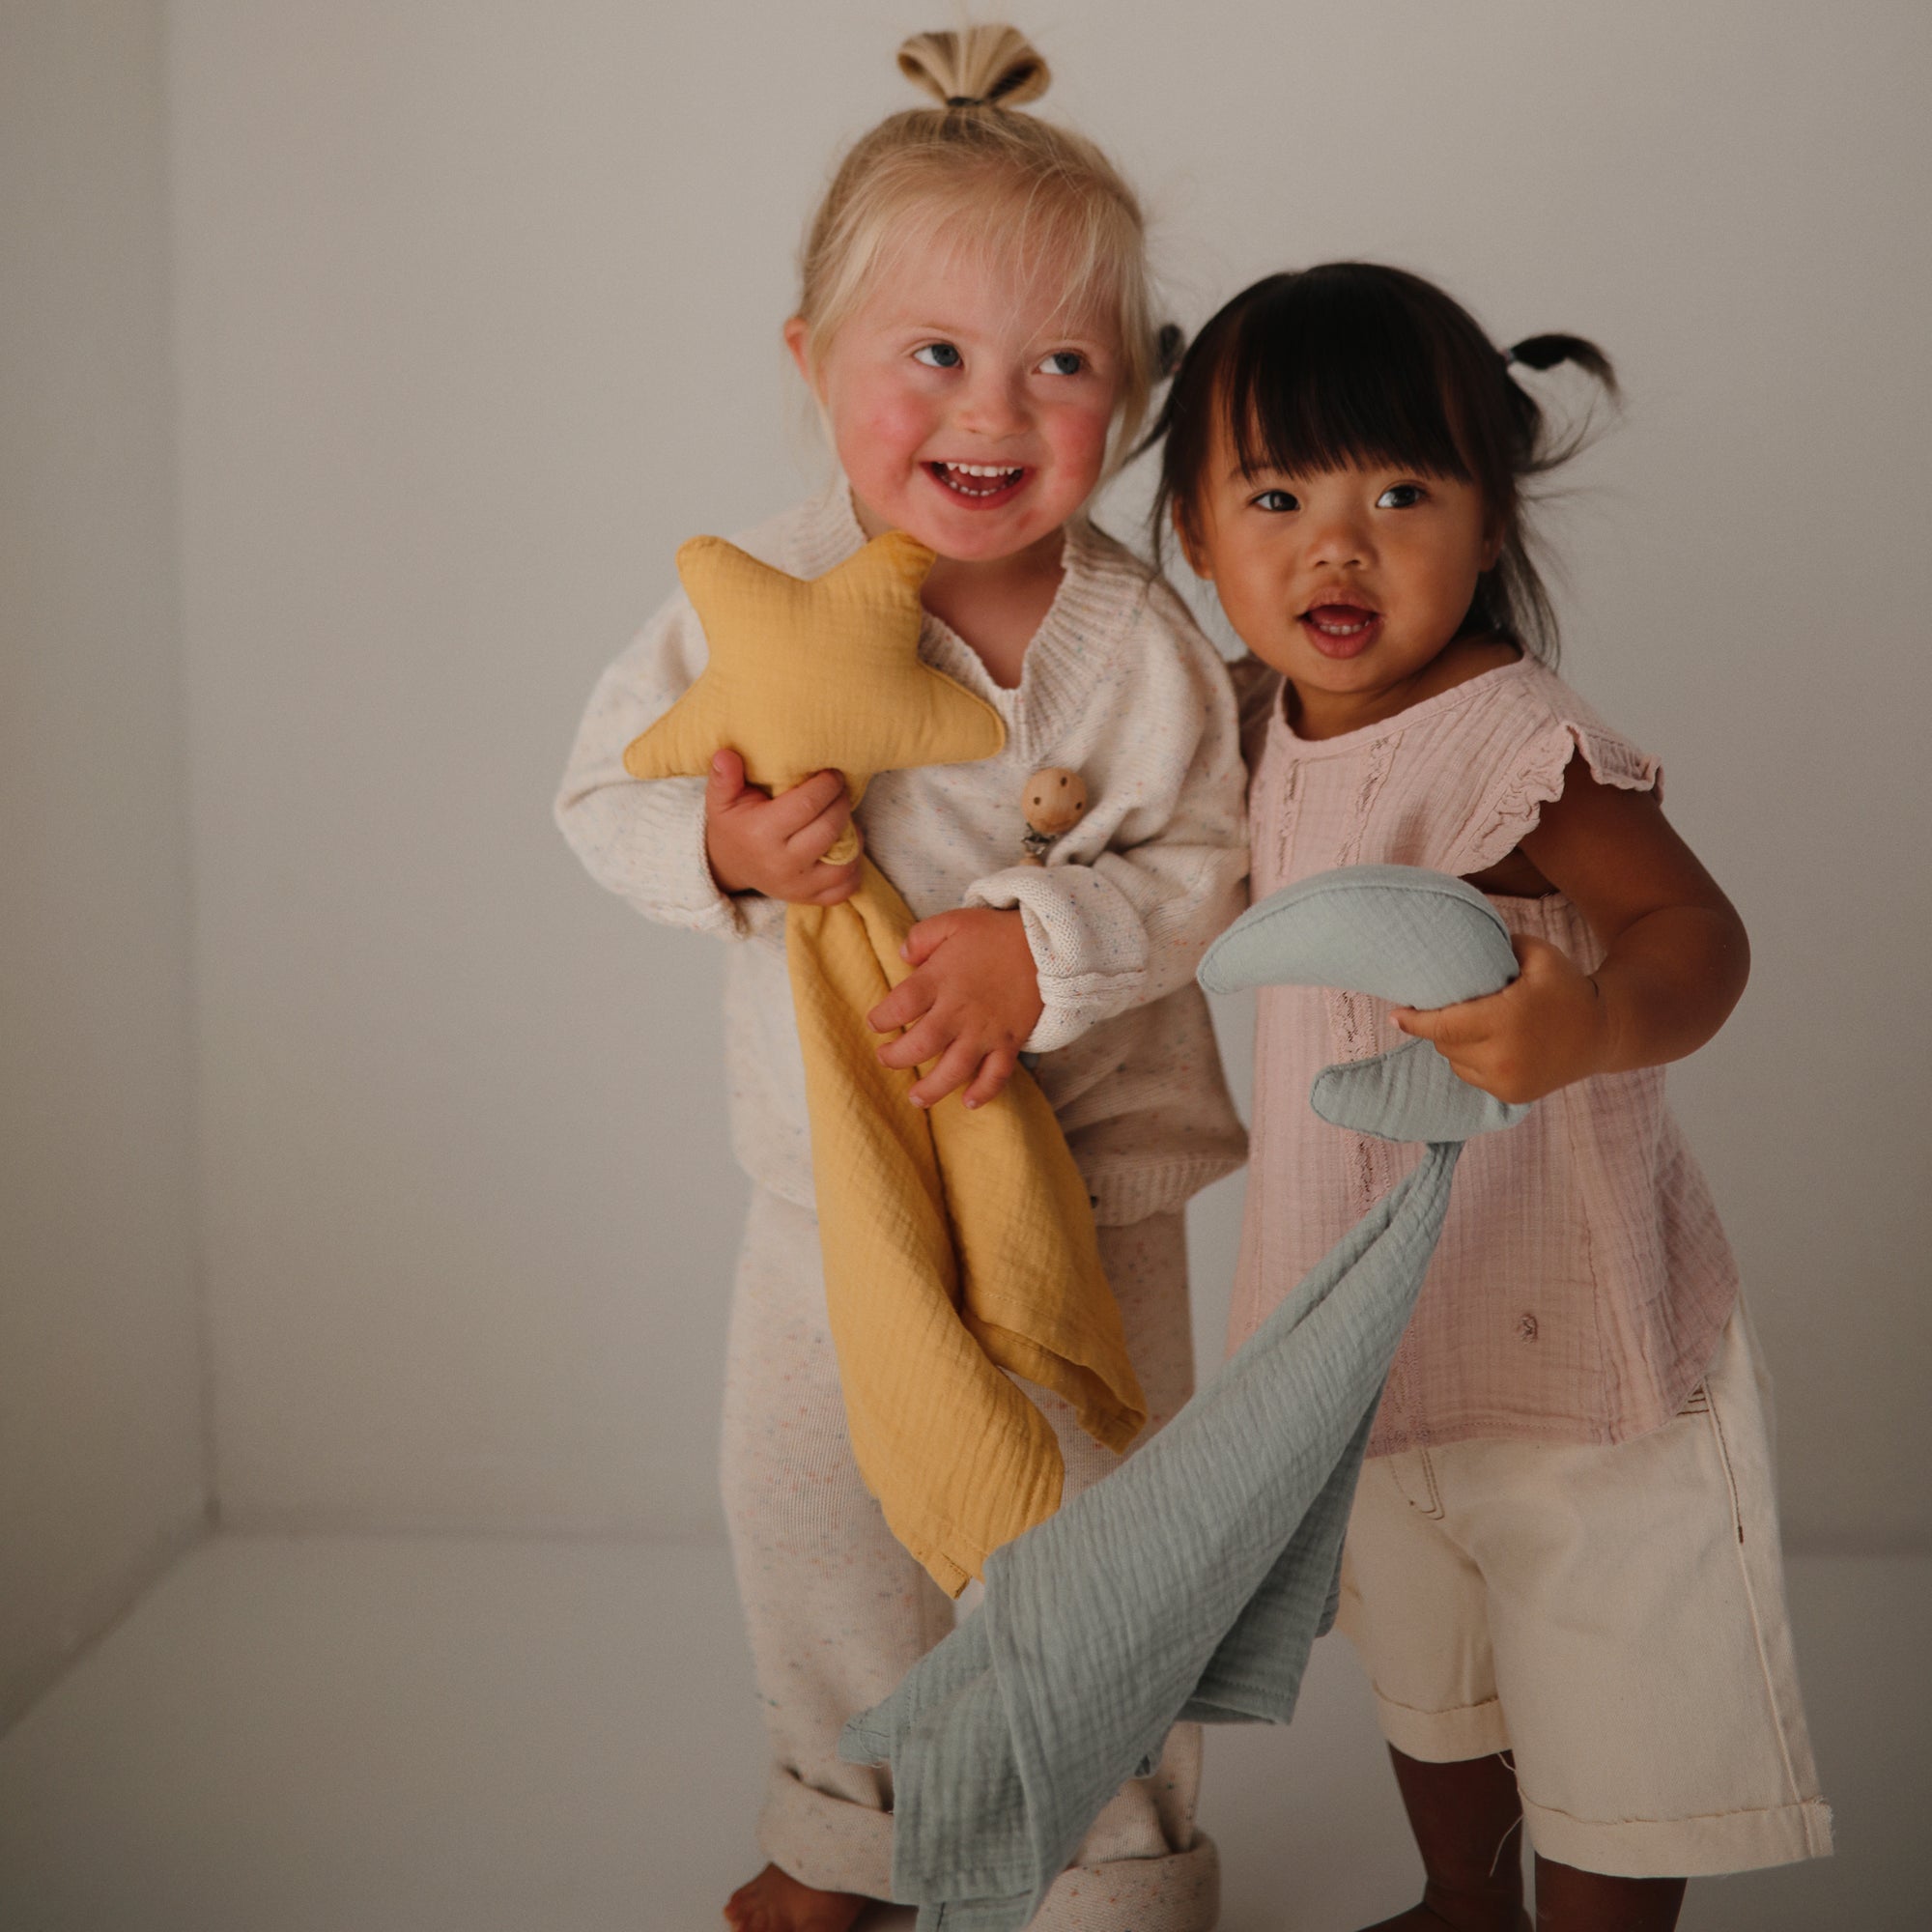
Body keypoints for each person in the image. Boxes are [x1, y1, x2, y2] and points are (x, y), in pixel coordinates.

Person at [554, 27, 1247, 1932]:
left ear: (1131, 391)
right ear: (813, 363)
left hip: (1090, 1201)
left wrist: (1043, 948)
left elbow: (1206, 856)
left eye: (1062, 365)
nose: (991, 411)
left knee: (1101, 1544)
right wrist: (722, 848)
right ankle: (846, 1835)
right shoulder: (737, 601)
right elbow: (597, 791)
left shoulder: (1141, 648)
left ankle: (1115, 1857)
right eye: (930, 354)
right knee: (815, 1526)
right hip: (827, 1199)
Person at [1153, 262, 1832, 1932]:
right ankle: (1465, 1898)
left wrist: (1590, 1023)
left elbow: (1701, 934)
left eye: (1402, 491)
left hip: (1576, 1340)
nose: (1339, 542)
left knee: (1611, 1701)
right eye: (1277, 494)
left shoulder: (1515, 737)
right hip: (1370, 1317)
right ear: (1190, 534)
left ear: (1489, 515)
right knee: (1431, 1667)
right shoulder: (1247, 735)